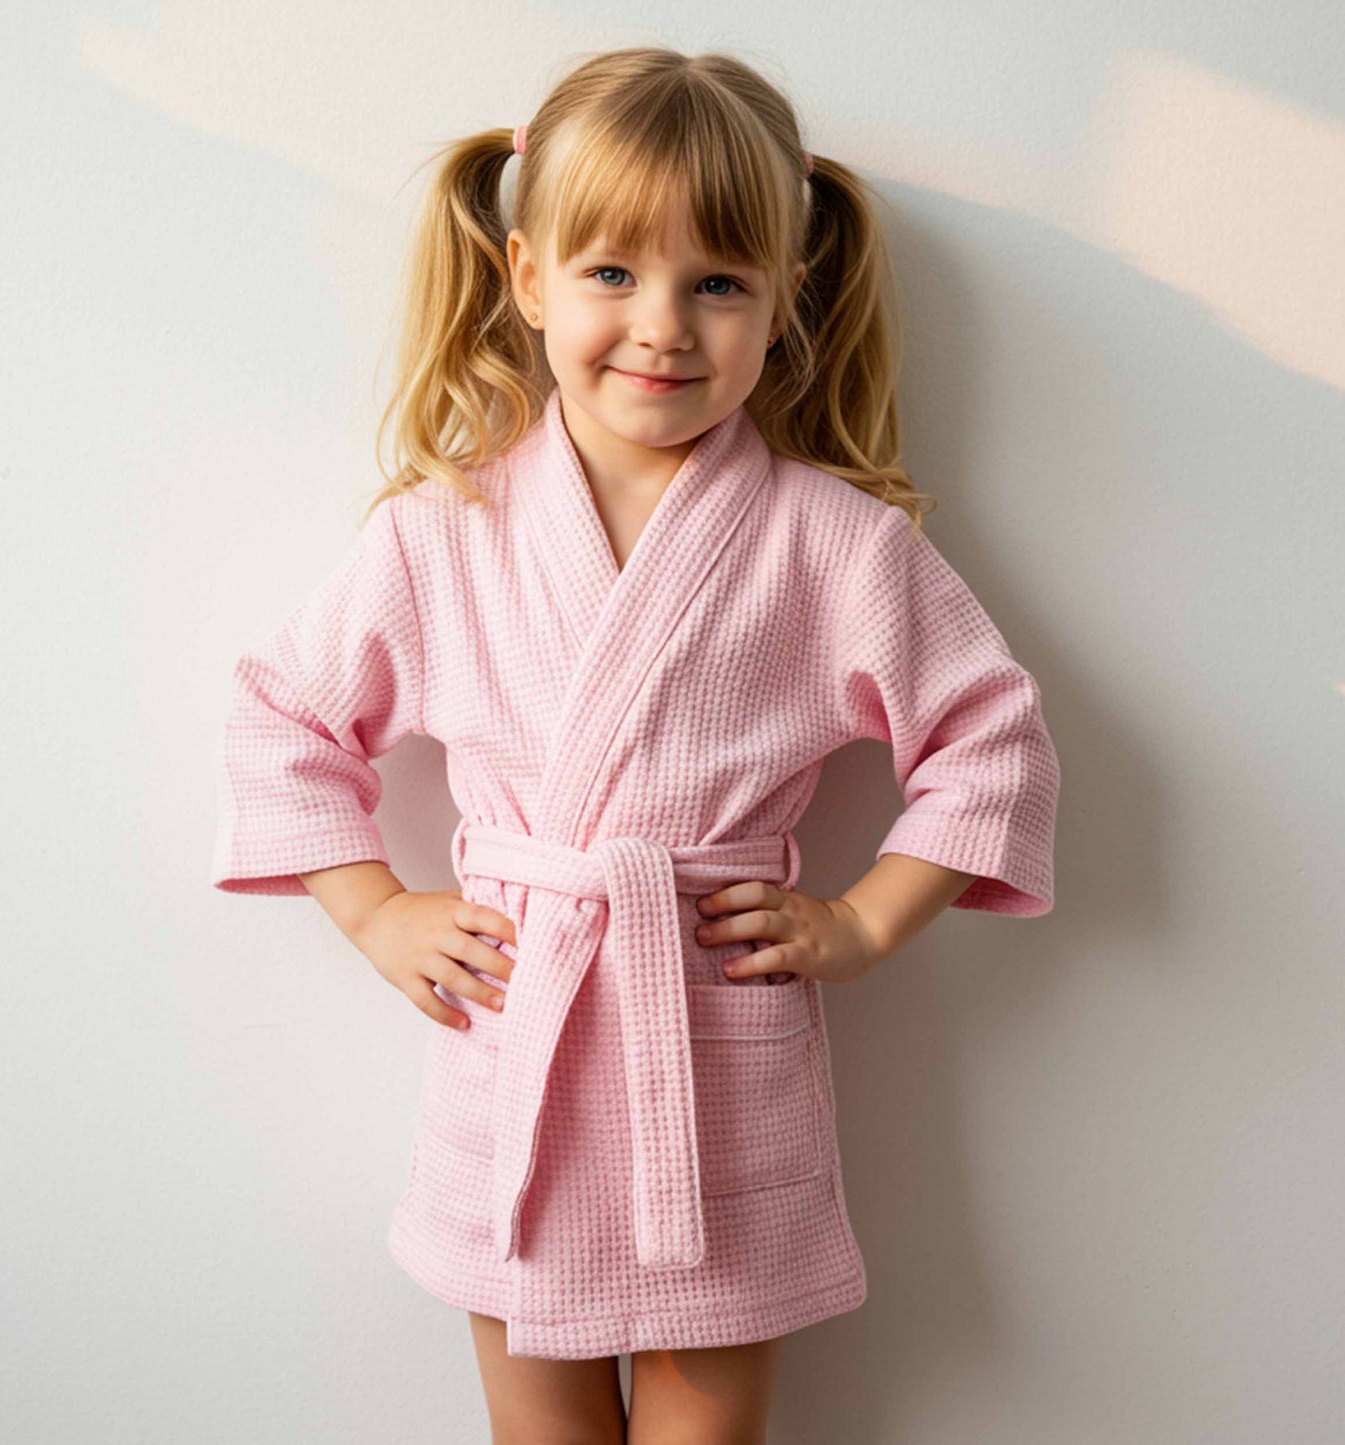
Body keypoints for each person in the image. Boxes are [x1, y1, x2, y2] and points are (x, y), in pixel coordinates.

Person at [209, 44, 1061, 1445]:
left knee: (703, 1428)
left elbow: (991, 739)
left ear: (788, 299)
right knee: (535, 1423)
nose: (662, 324)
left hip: (712, 1038)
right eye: (612, 273)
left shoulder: (834, 544)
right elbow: (282, 712)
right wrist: (372, 909)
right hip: (517, 1031)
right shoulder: (441, 532)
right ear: (526, 275)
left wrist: (858, 922)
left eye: (717, 281)